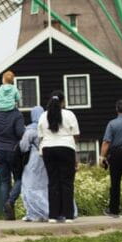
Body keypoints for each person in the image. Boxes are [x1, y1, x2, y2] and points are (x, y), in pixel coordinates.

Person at [38, 91, 80, 223]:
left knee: (53, 182)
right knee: (67, 182)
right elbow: (76, 134)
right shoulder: (69, 114)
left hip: (48, 148)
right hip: (66, 147)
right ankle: (68, 215)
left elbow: (40, 135)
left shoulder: (43, 115)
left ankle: (53, 215)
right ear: (63, 102)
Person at [0, 102, 26, 220]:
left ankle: (7, 214)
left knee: (4, 182)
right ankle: (11, 201)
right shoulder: (17, 115)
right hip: (14, 151)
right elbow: (20, 133)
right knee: (20, 178)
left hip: (0, 152)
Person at [19, 105, 48, 222]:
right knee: (44, 186)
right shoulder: (48, 127)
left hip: (33, 159)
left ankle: (33, 213)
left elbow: (23, 147)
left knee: (29, 185)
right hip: (45, 159)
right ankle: (48, 211)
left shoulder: (30, 130)